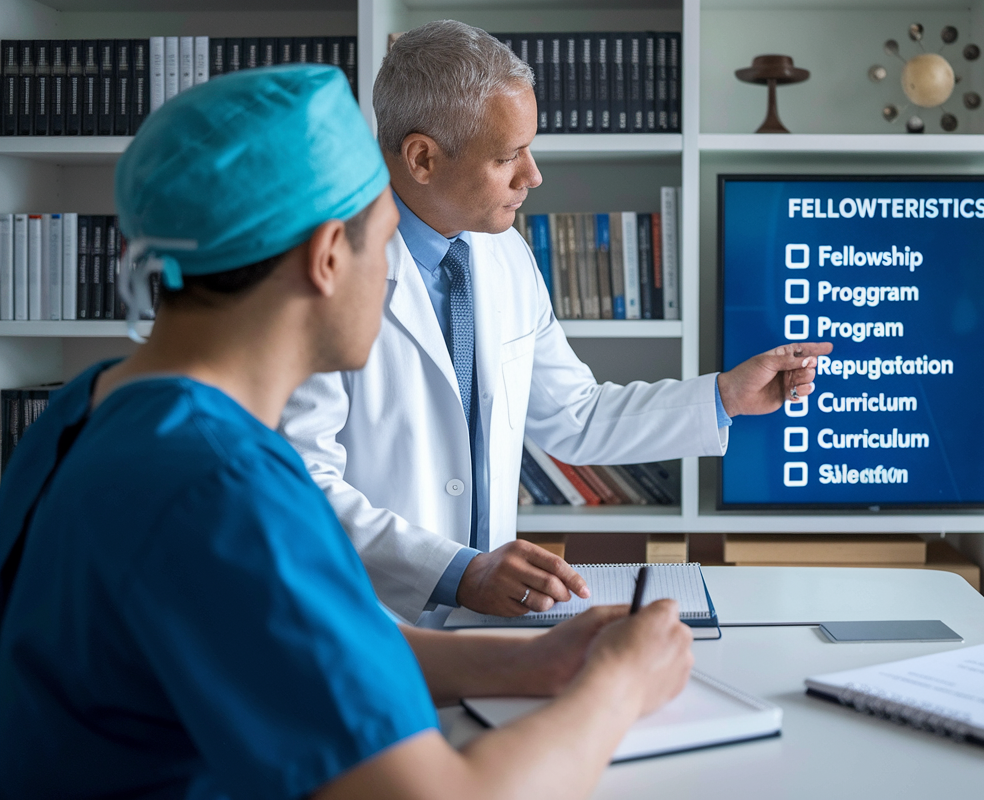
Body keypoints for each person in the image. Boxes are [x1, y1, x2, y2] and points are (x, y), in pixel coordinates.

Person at [0, 65, 693, 799]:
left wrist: (528, 663)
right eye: (388, 238)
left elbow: (283, 643)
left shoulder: (91, 406)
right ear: (329, 258)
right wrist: (621, 685)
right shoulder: (222, 488)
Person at [280, 20, 831, 622]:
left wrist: (725, 396)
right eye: (508, 155)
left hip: (483, 620)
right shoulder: (321, 272)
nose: (533, 174)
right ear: (422, 158)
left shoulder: (504, 254)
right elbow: (301, 482)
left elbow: (574, 414)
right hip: (366, 620)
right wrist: (456, 572)